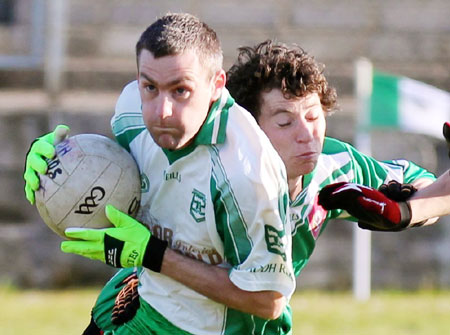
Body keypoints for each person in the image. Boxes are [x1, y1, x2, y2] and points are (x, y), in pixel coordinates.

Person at [23, 14, 295, 335]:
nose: (161, 111)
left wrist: (153, 254)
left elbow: (268, 302)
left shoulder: (247, 171)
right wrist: (57, 167)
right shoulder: (131, 111)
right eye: (149, 87)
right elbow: (122, 180)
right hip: (148, 295)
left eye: (180, 91)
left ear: (216, 85)